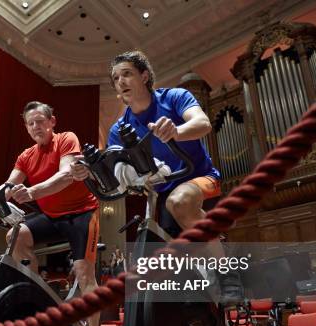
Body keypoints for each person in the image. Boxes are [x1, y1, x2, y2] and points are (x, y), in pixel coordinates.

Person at [71, 50, 242, 303]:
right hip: (161, 195)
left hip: (201, 180)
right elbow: (118, 178)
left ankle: (228, 274)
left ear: (145, 75)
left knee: (179, 201)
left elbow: (203, 124)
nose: (121, 82)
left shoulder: (174, 97)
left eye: (127, 74)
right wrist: (89, 174)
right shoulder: (119, 130)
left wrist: (177, 131)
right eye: (116, 78)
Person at [0, 101, 101, 326]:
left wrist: (34, 192)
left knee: (84, 271)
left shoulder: (66, 139)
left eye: (40, 121)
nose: (36, 126)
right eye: (30, 123)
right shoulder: (26, 156)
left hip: (81, 213)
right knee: (16, 234)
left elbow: (66, 176)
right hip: (51, 217)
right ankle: (38, 297)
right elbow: (7, 188)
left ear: (52, 122)